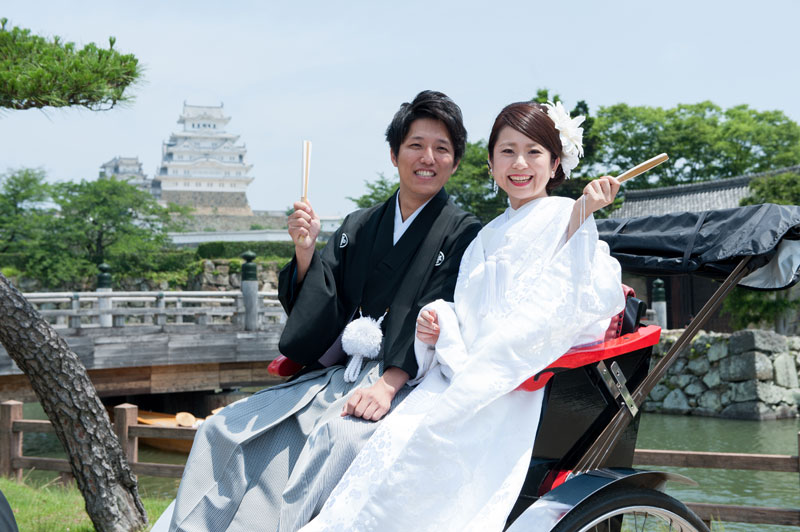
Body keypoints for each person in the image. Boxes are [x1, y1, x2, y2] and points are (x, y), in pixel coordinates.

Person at [158, 90, 482, 532]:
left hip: (405, 378)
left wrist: (388, 385)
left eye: (442, 148)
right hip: (341, 373)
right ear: (394, 154)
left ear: (455, 161)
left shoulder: (463, 233)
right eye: (415, 145)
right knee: (224, 427)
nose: (428, 157)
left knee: (335, 439)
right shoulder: (361, 225)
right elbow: (323, 299)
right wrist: (306, 252)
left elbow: (436, 309)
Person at [299, 101, 625, 532]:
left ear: (556, 162)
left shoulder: (566, 214)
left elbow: (569, 296)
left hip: (513, 373)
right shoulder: (487, 234)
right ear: (490, 165)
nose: (520, 164)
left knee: (433, 442)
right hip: (465, 364)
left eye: (534, 152)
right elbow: (467, 308)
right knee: (396, 437)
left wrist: (583, 214)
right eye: (507, 152)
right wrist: (440, 322)